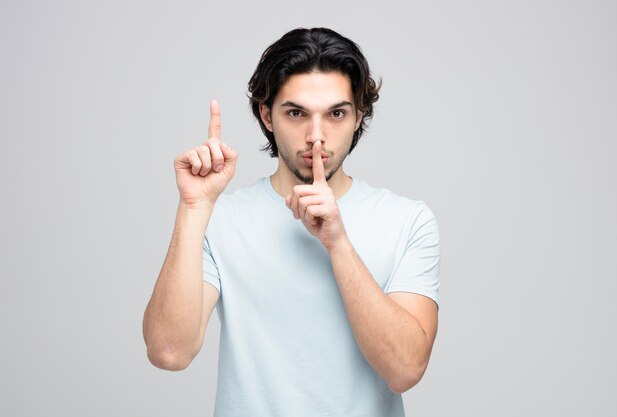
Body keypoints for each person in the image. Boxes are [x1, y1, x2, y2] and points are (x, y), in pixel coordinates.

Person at [143, 27, 440, 417]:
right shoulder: (220, 218)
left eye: (336, 113)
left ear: (358, 117)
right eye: (296, 113)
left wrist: (338, 244)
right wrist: (194, 208)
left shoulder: (408, 220)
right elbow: (169, 352)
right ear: (267, 115)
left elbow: (404, 370)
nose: (316, 136)